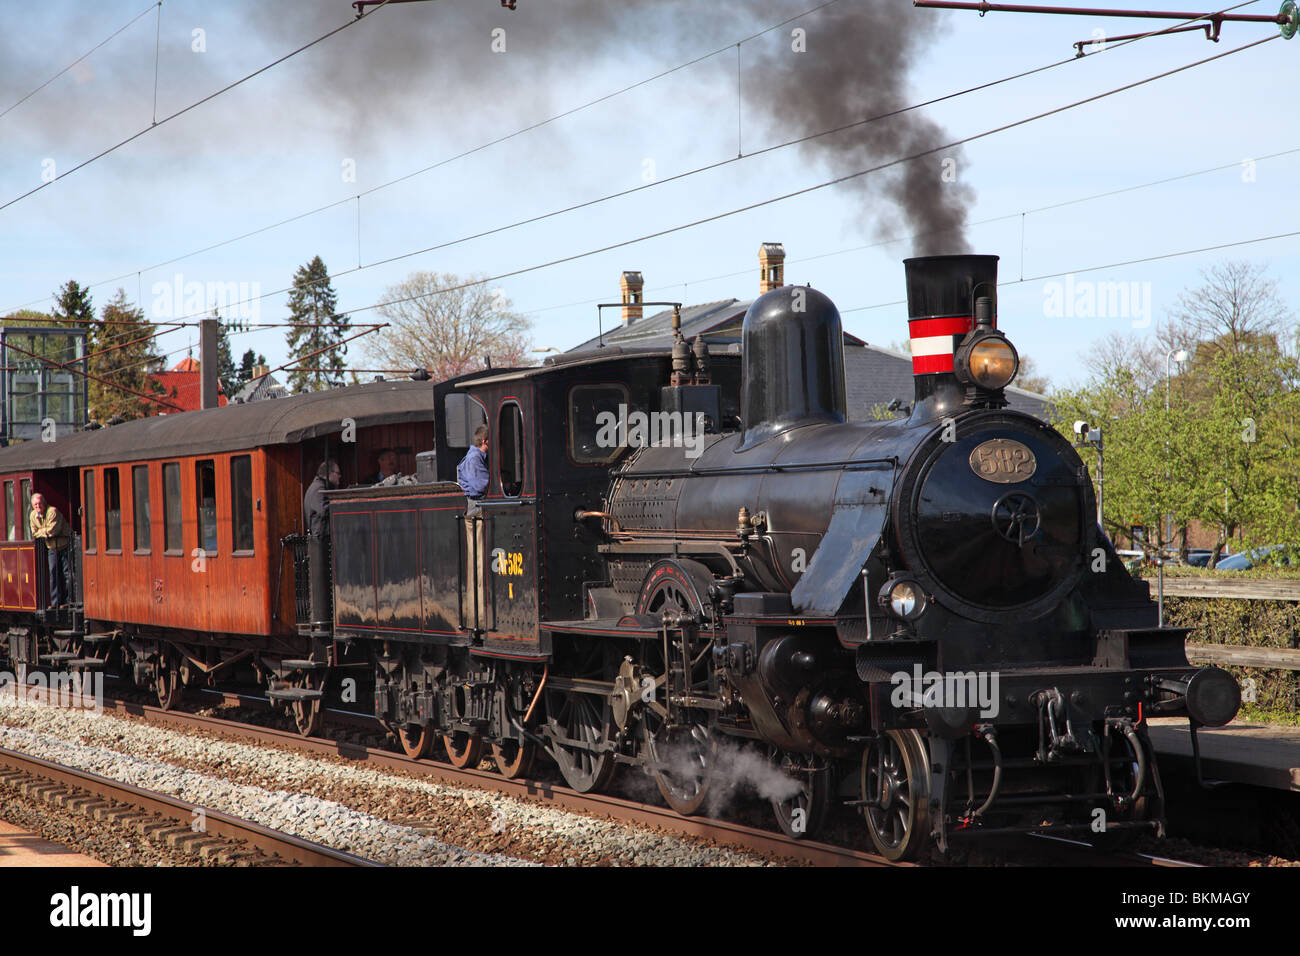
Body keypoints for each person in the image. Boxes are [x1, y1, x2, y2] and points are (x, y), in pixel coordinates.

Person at [30, 493, 72, 607]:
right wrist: (45, 532)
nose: (38, 506)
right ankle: (56, 602)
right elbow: (34, 533)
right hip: (51, 548)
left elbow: (54, 531)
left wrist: (42, 532)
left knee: (67, 574)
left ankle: (69, 601)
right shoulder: (33, 515)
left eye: (40, 503)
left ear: (44, 503)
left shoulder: (52, 511)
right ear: (33, 506)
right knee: (53, 573)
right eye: (35, 504)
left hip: (64, 545)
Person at [304, 459, 341, 537]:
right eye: (338, 473)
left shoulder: (319, 487)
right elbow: (323, 510)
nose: (339, 476)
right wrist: (340, 505)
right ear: (329, 473)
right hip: (321, 539)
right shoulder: (318, 488)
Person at [457, 425, 490, 503]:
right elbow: (482, 485)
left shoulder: (481, 457)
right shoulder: (474, 458)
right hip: (476, 503)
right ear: (484, 441)